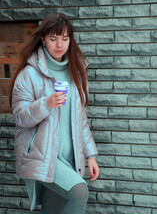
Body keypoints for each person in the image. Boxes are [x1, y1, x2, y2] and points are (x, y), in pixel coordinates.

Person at [9, 13, 99, 214]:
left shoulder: (77, 72)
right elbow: (20, 117)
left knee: (54, 208)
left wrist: (90, 154)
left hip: (71, 155)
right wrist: (46, 103)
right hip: (44, 155)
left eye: (65, 39)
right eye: (53, 38)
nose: (59, 44)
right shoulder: (29, 74)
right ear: (42, 39)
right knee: (78, 190)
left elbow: (81, 119)